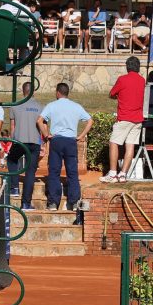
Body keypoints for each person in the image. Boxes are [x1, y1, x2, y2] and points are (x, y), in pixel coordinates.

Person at [40, 81, 90, 211]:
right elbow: (90, 121)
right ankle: (74, 202)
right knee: (72, 172)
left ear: (58, 93)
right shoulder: (76, 106)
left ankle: (53, 202)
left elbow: (39, 120)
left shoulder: (51, 105)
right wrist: (81, 135)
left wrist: (46, 135)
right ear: (67, 93)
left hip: (56, 140)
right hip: (70, 141)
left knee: (54, 172)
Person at [104, 55, 147, 182]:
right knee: (130, 146)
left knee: (114, 143)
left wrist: (118, 97)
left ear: (127, 67)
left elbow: (111, 94)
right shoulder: (142, 80)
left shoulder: (122, 79)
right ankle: (123, 174)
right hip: (137, 118)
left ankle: (113, 173)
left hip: (124, 117)